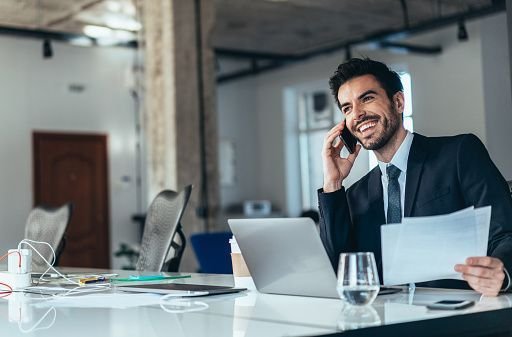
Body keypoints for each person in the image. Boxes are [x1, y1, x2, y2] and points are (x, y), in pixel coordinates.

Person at [319, 57, 512, 296]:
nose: (357, 114)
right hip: (385, 321)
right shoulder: (356, 194)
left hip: (458, 317)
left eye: (367, 98)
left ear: (398, 102)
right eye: (347, 108)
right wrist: (333, 183)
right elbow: (340, 269)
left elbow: (505, 232)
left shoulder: (458, 154)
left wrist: (502, 273)